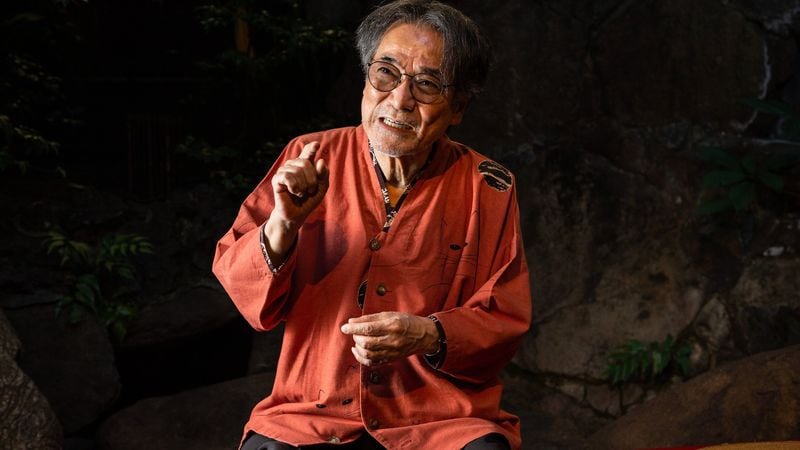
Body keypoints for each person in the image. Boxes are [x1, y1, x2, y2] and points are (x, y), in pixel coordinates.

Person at [212, 1, 532, 449]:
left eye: (427, 84)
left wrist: (428, 334)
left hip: (439, 419)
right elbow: (242, 287)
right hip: (310, 412)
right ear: (365, 78)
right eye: (385, 73)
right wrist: (283, 223)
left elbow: (503, 317)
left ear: (458, 106)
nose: (400, 100)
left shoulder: (487, 186)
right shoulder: (309, 156)